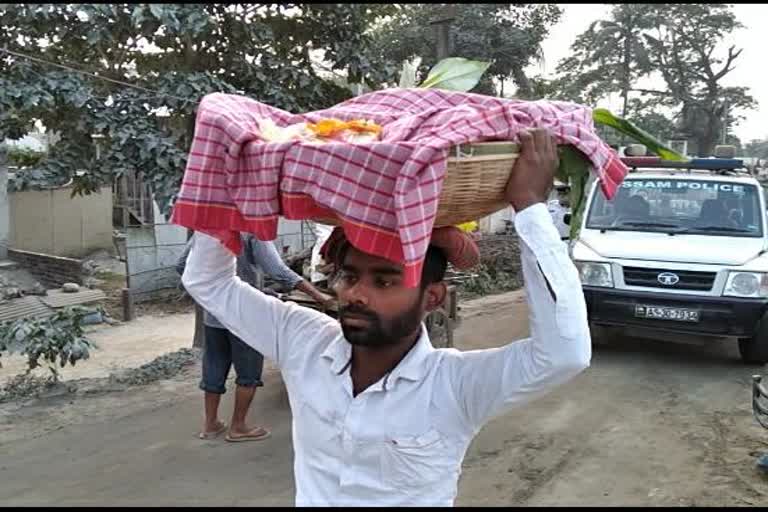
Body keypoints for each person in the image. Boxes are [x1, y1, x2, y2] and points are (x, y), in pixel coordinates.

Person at [180, 129, 591, 505]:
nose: (355, 294)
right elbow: (207, 282)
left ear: (432, 297)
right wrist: (227, 198)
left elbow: (564, 353)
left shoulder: (455, 385)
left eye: (385, 281)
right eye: (350, 275)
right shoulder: (304, 340)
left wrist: (531, 210)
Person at [177, 233, 332, 442]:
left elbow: (181, 265)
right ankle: (238, 427)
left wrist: (211, 294)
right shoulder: (251, 228)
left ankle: (210, 425)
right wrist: (319, 295)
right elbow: (278, 271)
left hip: (213, 315)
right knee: (248, 371)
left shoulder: (206, 226)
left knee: (214, 364)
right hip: (246, 315)